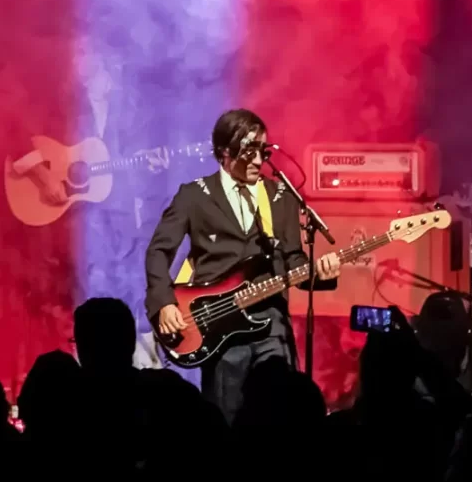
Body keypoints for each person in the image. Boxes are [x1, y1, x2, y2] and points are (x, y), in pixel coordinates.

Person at [144, 108, 342, 423]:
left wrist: (321, 274)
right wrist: (164, 302)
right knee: (227, 419)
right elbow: (158, 251)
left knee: (281, 417)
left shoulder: (279, 196)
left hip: (272, 326)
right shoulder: (194, 195)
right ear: (224, 152)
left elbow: (293, 259)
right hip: (219, 327)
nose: (258, 160)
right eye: (249, 151)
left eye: (262, 150)